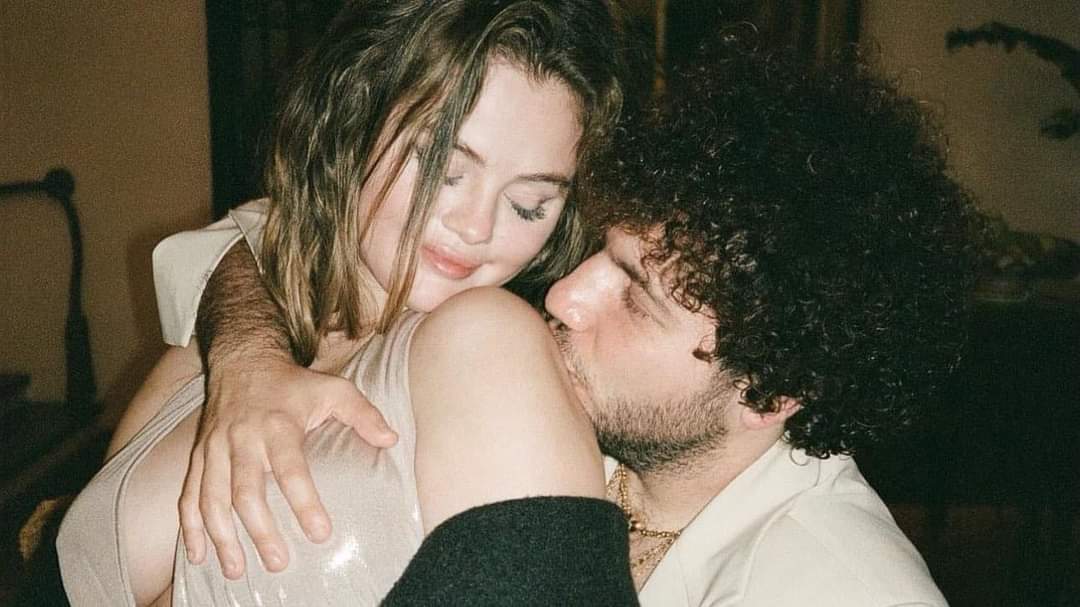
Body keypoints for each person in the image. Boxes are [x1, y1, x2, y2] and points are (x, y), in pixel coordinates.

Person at [151, 37, 984, 605]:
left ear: (770, 392)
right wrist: (250, 355)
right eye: (601, 253)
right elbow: (264, 231)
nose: (563, 296)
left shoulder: (834, 586)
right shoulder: (605, 413)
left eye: (636, 296)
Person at [57, 1, 640, 605]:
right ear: (356, 117)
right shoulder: (225, 340)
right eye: (444, 168)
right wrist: (244, 347)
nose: (475, 225)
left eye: (527, 205)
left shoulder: (492, 349)